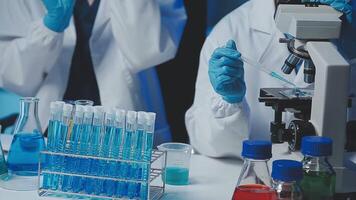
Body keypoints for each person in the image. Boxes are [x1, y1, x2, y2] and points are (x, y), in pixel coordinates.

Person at [0, 0, 187, 144]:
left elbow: (147, 52)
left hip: (123, 133)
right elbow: (13, 76)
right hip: (50, 133)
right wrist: (49, 29)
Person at [186, 0, 355, 158]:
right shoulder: (233, 29)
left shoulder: (350, 27)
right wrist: (230, 102)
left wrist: (351, 58)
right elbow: (204, 141)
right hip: (253, 172)